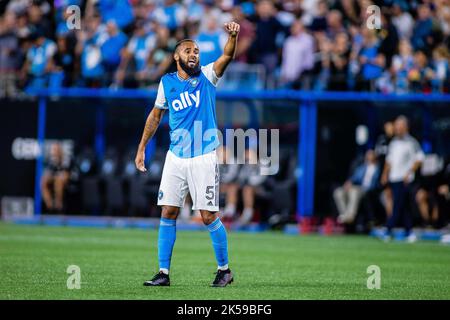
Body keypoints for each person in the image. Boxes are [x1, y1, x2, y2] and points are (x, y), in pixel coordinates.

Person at [134, 21, 241, 287]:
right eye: (188, 51)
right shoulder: (166, 83)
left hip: (203, 156)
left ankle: (224, 270)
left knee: (207, 215)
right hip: (175, 157)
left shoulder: (207, 75)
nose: (194, 54)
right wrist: (142, 146)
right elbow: (156, 115)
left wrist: (232, 36)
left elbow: (227, 55)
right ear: (176, 56)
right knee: (168, 211)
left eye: (196, 51)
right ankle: (163, 273)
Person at [381, 116, 425, 242]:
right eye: (396, 126)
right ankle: (409, 232)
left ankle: (388, 229)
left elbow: (419, 159)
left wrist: (409, 172)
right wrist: (384, 174)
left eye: (400, 126)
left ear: (406, 127)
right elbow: (389, 161)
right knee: (403, 206)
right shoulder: (393, 142)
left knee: (398, 204)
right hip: (394, 178)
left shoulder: (412, 142)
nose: (397, 128)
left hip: (404, 179)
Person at [333, 150, 380, 225]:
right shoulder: (362, 167)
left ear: (375, 156)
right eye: (367, 154)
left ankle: (350, 216)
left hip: (368, 190)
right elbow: (354, 178)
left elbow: (377, 183)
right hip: (358, 187)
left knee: (354, 191)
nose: (368, 156)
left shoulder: (378, 168)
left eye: (370, 154)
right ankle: (345, 215)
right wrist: (349, 182)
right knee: (338, 192)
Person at [41, 142, 72, 213]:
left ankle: (59, 205)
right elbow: (49, 173)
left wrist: (58, 176)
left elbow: (66, 173)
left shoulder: (66, 159)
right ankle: (50, 205)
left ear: (60, 150)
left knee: (58, 181)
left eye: (56, 149)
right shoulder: (52, 160)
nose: (54, 152)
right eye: (54, 150)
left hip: (66, 180)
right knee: (44, 181)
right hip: (55, 178)